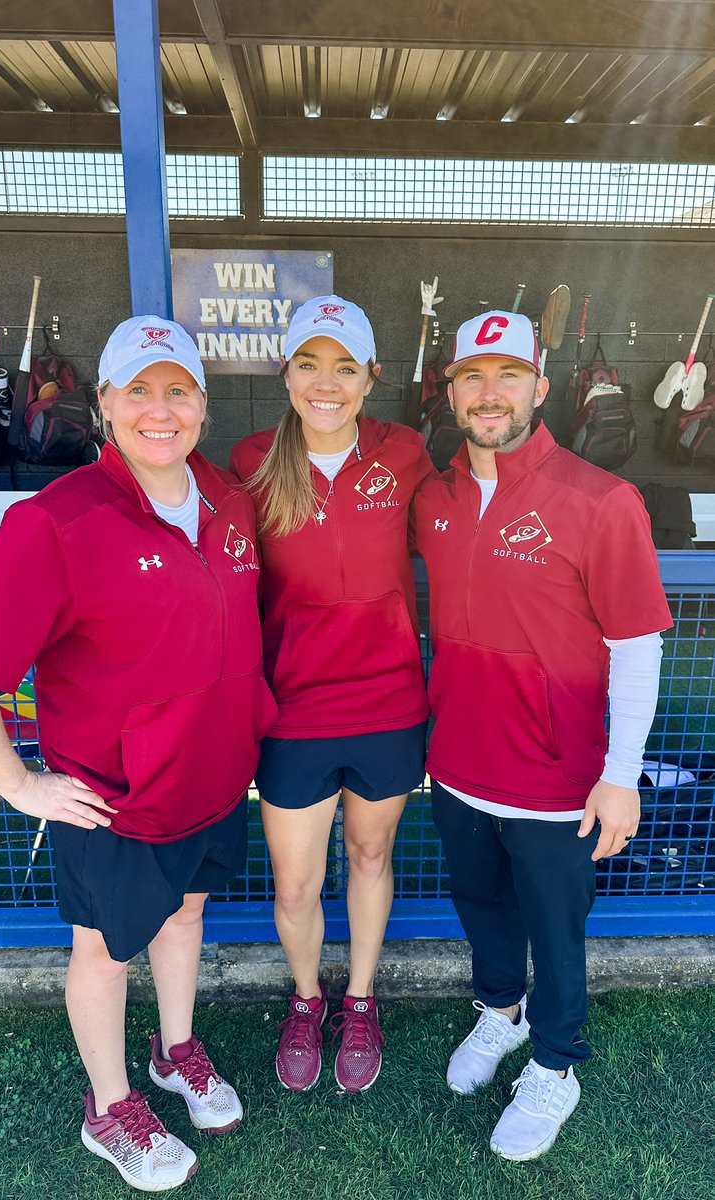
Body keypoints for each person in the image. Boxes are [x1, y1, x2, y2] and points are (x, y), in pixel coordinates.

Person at [0, 316, 277, 1192]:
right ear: (108, 404)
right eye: (140, 391)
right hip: (113, 798)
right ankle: (109, 1106)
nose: (161, 410)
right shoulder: (59, 521)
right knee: (103, 951)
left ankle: (174, 1050)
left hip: (211, 777)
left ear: (202, 403)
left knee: (186, 918)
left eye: (178, 391)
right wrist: (17, 783)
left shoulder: (228, 499)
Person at [413, 309, 672, 1161]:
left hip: (558, 779)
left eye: (508, 376)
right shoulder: (434, 497)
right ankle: (501, 1015)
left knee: (556, 933)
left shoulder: (601, 500)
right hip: (458, 765)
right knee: (481, 905)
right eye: (473, 378)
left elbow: (637, 644)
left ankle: (557, 1063)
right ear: (451, 391)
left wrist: (622, 774)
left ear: (540, 387)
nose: (489, 394)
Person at [230, 295, 433, 1093]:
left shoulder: (405, 452)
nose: (326, 383)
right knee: (296, 882)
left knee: (371, 854)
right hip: (293, 711)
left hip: (388, 704)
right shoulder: (251, 461)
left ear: (371, 377)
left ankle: (361, 1000)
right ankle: (308, 999)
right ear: (285, 372)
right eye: (310, 364)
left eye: (344, 367)